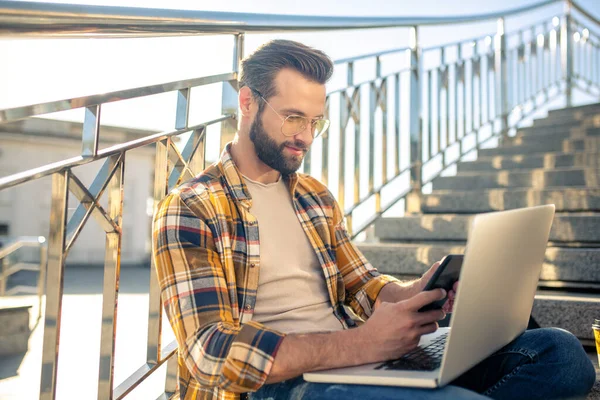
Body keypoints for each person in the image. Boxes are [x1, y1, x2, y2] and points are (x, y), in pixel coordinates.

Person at [152, 39, 596, 400]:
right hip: (281, 386)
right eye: (292, 119)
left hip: (359, 359)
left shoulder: (314, 196)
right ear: (247, 102)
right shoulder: (192, 207)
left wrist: (421, 292)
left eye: (315, 123)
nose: (305, 137)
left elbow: (363, 286)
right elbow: (208, 354)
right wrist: (360, 345)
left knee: (561, 354)